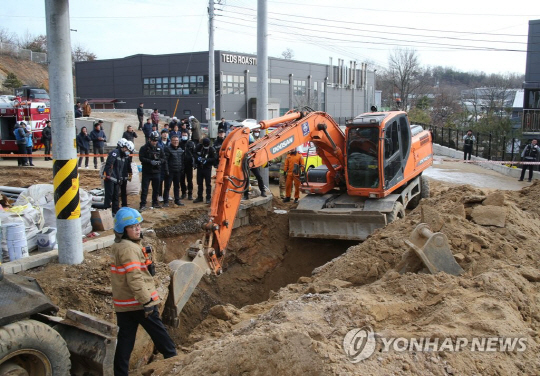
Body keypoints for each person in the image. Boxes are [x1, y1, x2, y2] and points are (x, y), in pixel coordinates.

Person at [111, 207, 177, 376]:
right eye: (133, 227)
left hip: (124, 304)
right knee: (160, 334)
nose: (137, 229)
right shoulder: (129, 249)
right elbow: (135, 278)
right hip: (139, 303)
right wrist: (146, 301)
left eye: (138, 225)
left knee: (125, 341)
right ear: (123, 230)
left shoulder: (123, 246)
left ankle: (120, 373)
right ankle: (175, 360)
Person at [103, 139, 130, 215]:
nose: (127, 151)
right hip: (110, 178)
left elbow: (120, 169)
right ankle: (107, 212)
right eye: (127, 149)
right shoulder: (115, 153)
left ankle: (115, 211)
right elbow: (109, 164)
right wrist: (107, 175)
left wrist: (120, 178)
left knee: (116, 196)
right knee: (109, 196)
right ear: (123, 147)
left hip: (117, 179)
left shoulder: (123, 156)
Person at [139, 131, 165, 210]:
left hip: (156, 171)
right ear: (150, 139)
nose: (155, 142)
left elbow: (163, 158)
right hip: (147, 171)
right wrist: (150, 161)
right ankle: (143, 204)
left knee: (156, 188)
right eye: (153, 141)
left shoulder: (159, 148)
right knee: (145, 189)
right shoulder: (144, 148)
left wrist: (159, 161)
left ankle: (155, 202)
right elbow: (141, 158)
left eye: (156, 141)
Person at [243, 131, 267, 200]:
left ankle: (263, 191)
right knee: (246, 179)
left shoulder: (254, 146)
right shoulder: (243, 146)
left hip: (253, 163)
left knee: (259, 176)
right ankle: (246, 195)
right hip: (246, 164)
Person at [163, 135, 185, 207]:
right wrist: (166, 170)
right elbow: (165, 160)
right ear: (171, 141)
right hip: (170, 171)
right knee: (167, 186)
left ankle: (177, 200)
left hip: (178, 171)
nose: (176, 142)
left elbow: (182, 160)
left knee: (177, 186)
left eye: (177, 141)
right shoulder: (167, 149)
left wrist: (182, 169)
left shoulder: (180, 150)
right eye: (174, 141)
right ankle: (165, 201)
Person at [193, 138, 216, 204]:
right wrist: (198, 158)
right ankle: (200, 197)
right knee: (199, 183)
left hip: (207, 168)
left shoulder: (211, 149)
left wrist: (207, 160)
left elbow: (214, 158)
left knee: (208, 183)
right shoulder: (199, 147)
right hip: (200, 167)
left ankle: (208, 198)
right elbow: (194, 153)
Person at [179, 129, 195, 200]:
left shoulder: (191, 143)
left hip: (189, 164)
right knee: (181, 179)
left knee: (189, 179)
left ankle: (190, 194)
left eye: (185, 135)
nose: (184, 136)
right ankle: (183, 193)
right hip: (181, 164)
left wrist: (194, 163)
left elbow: (194, 153)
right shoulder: (179, 143)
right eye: (183, 135)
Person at [120, 141, 135, 208]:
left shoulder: (127, 156)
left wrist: (130, 174)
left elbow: (128, 165)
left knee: (124, 191)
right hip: (118, 176)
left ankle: (124, 204)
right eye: (129, 150)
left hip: (124, 175)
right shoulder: (118, 154)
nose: (129, 152)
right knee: (116, 192)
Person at [157, 130, 170, 201]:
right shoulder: (158, 143)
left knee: (168, 180)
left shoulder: (170, 142)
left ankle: (167, 195)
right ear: (161, 135)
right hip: (161, 164)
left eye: (166, 133)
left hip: (168, 164)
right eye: (164, 133)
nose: (165, 135)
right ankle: (159, 195)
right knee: (160, 180)